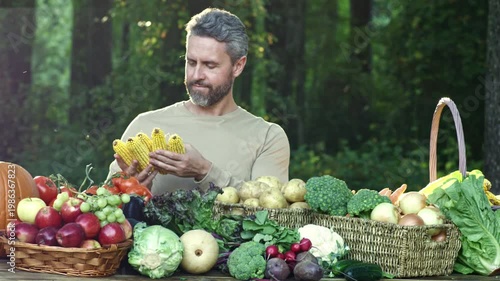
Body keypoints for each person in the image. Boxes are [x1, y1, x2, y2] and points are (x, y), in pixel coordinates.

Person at [107, 8, 290, 195]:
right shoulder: (144, 126)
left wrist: (205, 172)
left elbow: (271, 213)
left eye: (210, 65)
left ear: (238, 66)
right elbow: (102, 208)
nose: (196, 75)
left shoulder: (267, 137)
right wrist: (131, 192)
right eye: (191, 62)